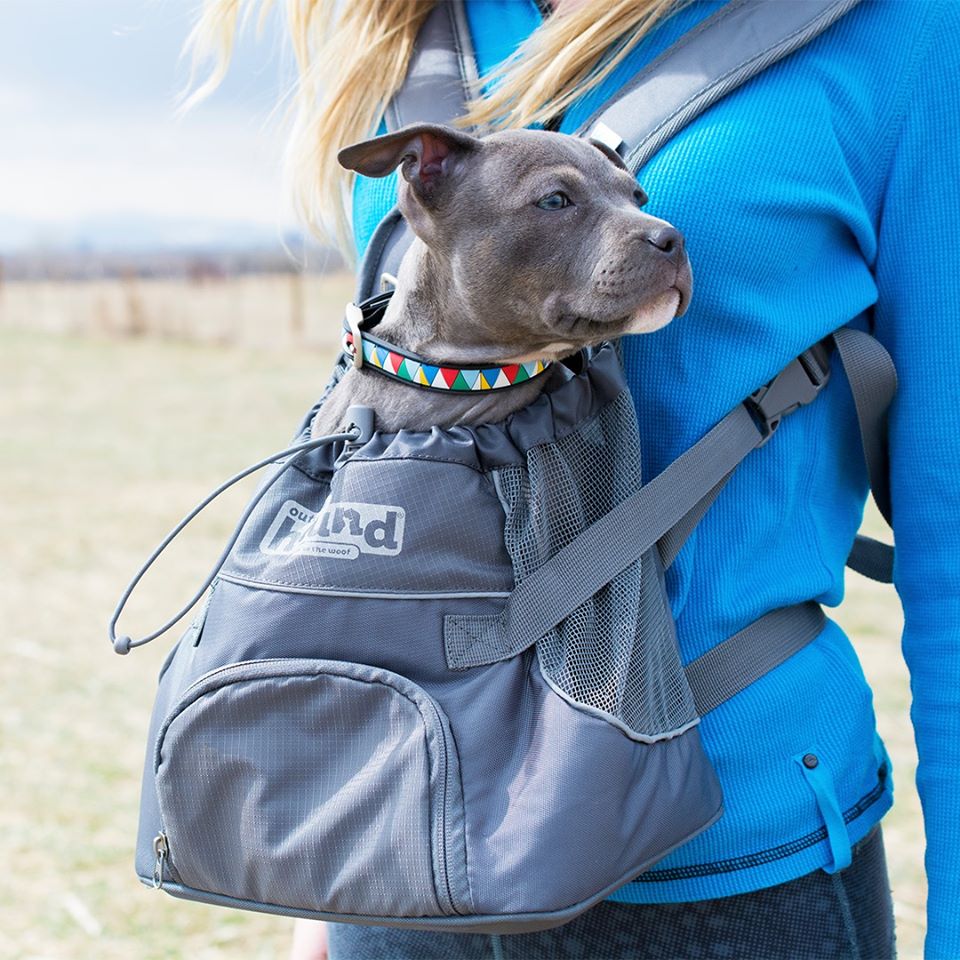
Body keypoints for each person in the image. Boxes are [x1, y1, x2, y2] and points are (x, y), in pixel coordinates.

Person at [183, 1, 960, 957]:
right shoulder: (418, 34)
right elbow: (390, 440)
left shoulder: (898, 31)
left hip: (726, 862)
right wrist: (327, 873)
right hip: (404, 862)